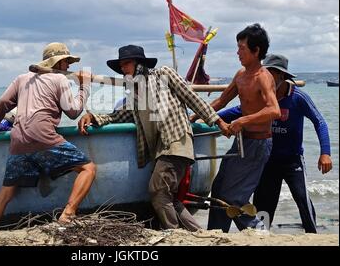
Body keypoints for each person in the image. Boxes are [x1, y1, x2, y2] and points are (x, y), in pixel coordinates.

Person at [78, 45, 229, 231]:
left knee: (157, 191)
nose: (124, 69)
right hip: (160, 150)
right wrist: (92, 116)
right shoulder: (135, 94)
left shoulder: (164, 74)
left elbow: (192, 98)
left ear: (140, 64)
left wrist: (218, 121)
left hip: (176, 140)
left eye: (127, 64)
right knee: (168, 197)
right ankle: (196, 233)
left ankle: (174, 234)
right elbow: (118, 116)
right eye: (121, 66)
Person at [0, 42, 96, 231]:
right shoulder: (59, 79)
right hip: (44, 138)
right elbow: (73, 112)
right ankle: (68, 214)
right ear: (59, 62)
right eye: (67, 63)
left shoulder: (22, 78)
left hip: (18, 141)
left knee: (6, 192)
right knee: (88, 168)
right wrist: (85, 87)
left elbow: (3, 102)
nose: (69, 67)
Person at [219, 54, 333, 233]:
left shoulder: (298, 97)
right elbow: (235, 111)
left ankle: (313, 234)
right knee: (263, 206)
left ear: (282, 77)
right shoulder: (261, 98)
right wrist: (206, 118)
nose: (266, 78)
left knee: (302, 198)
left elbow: (320, 122)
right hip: (267, 161)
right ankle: (263, 238)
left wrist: (325, 152)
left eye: (271, 75)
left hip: (292, 160)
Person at [197, 23, 281, 232]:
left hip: (258, 145)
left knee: (234, 197)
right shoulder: (240, 75)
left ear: (256, 50)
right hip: (241, 142)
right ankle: (217, 234)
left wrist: (243, 120)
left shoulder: (263, 77)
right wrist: (194, 115)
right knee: (218, 189)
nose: (237, 52)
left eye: (242, 48)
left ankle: (260, 233)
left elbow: (274, 110)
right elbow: (221, 101)